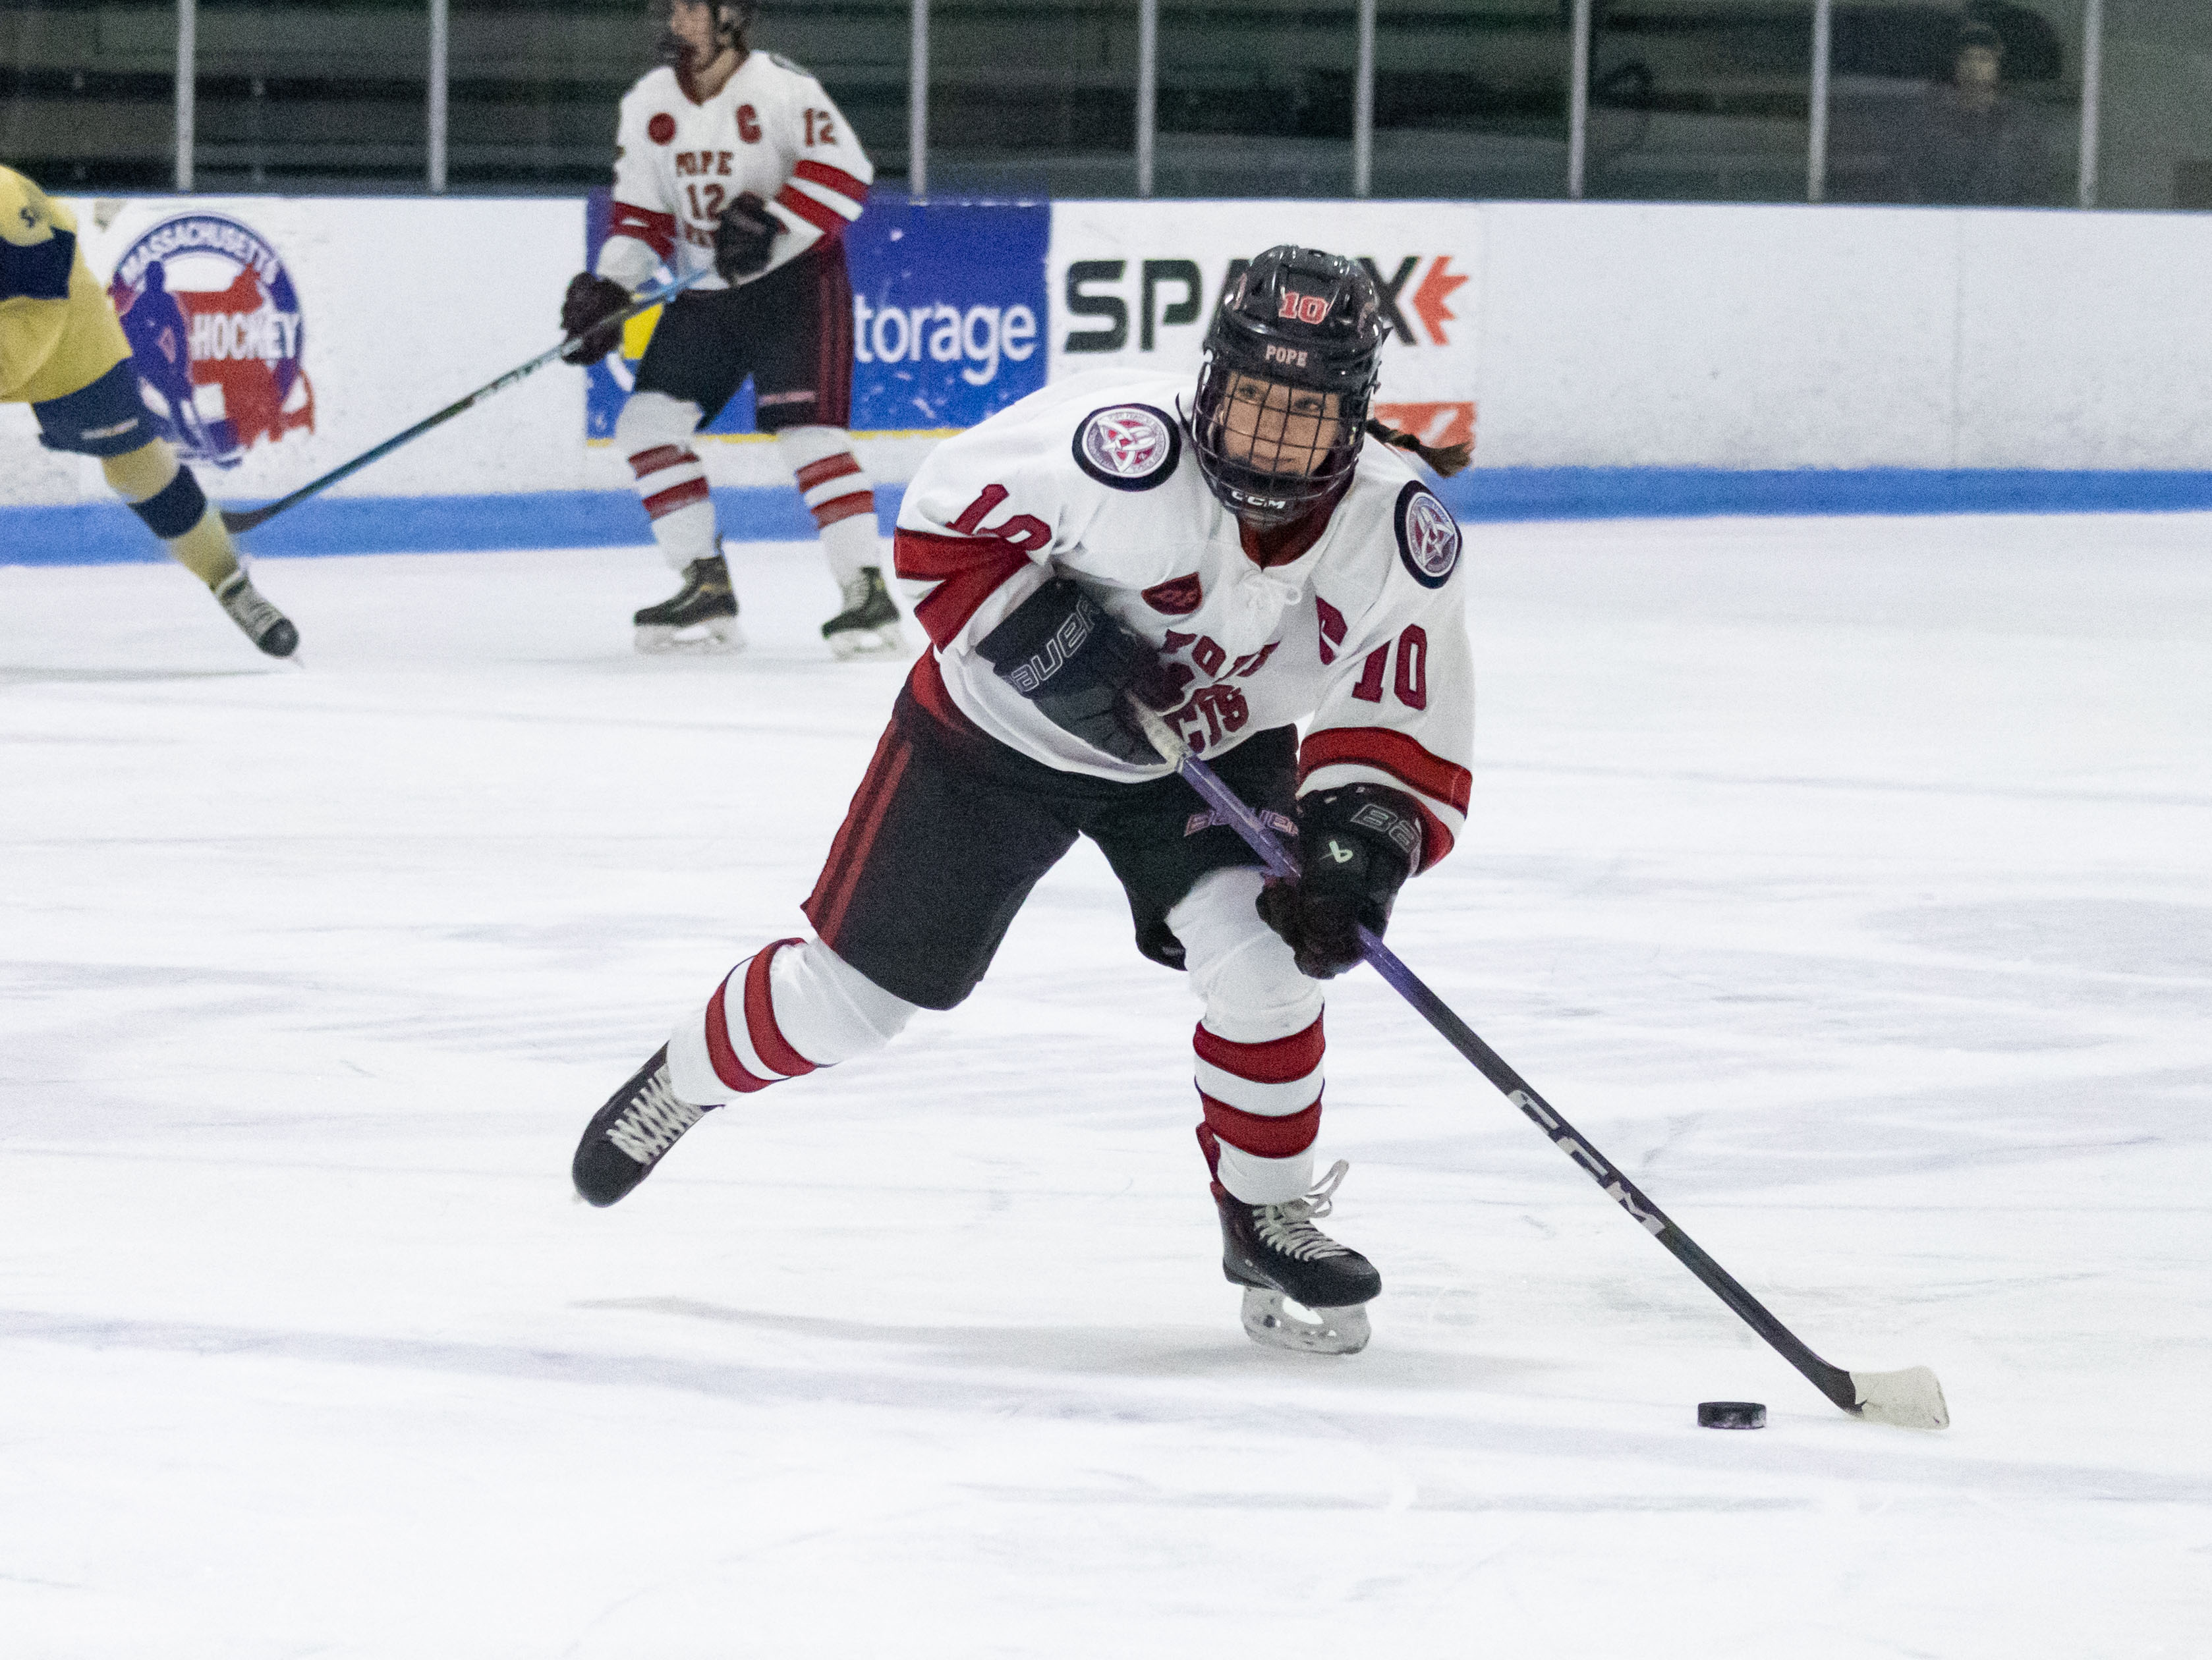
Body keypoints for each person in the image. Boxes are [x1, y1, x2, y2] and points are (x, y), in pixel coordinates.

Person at [569, 246, 1476, 1355]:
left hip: (1208, 752)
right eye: (1253, 403)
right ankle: (689, 1075)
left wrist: (1360, 849)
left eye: (1306, 414)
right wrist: (1062, 648)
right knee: (849, 1006)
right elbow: (938, 529)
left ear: (1357, 415)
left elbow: (1395, 708)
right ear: (1210, 382)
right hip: (993, 735)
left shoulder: (1392, 527)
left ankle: (1263, 1211)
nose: (1271, 439)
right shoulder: (1118, 453)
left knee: (1268, 962)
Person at [559, 0, 905, 658]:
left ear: (731, 17)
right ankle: (704, 582)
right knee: (646, 426)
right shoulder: (649, 101)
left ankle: (866, 590)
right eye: (671, 7)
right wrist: (610, 286)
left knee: (808, 434)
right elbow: (642, 214)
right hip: (708, 294)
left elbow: (846, 173)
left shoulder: (780, 85)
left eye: (692, 6)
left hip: (796, 284)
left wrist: (773, 221)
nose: (676, 18)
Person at [1, 165, 297, 656]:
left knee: (138, 466)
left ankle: (228, 582)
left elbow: (40, 309)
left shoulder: (9, 199)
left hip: (64, 340)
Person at [1895, 20, 2043, 206]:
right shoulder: (1931, 117)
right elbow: (1910, 178)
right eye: (1966, 58)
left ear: (1998, 66)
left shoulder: (2018, 120)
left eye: (1984, 59)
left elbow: (2034, 182)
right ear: (1955, 65)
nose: (1974, 67)